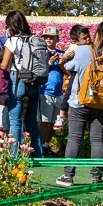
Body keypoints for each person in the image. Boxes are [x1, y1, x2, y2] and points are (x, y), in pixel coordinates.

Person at [57, 21, 103, 186]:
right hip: (102, 103)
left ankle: (68, 175)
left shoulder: (85, 50)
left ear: (97, 34)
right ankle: (96, 177)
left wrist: (64, 59)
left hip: (80, 100)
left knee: (75, 137)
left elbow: (70, 68)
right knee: (98, 139)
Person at [0, 10, 42, 158]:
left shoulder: (12, 41)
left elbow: (4, 65)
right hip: (35, 83)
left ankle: (14, 154)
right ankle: (37, 154)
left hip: (18, 81)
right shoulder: (34, 39)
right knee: (32, 122)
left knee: (15, 121)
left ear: (11, 25)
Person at [54, 25, 92, 130]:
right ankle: (62, 115)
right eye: (84, 38)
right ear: (76, 40)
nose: (88, 39)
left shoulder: (91, 47)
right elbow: (65, 63)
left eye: (88, 36)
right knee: (69, 91)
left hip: (86, 75)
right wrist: (65, 59)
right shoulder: (74, 48)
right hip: (75, 74)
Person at [38, 27, 65, 157]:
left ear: (57, 39)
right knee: (44, 121)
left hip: (58, 92)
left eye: (51, 37)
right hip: (44, 91)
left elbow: (68, 72)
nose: (48, 39)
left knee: (54, 122)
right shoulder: (40, 53)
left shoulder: (62, 53)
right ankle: (39, 146)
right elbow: (38, 71)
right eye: (46, 37)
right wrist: (49, 62)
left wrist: (60, 63)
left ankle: (46, 145)